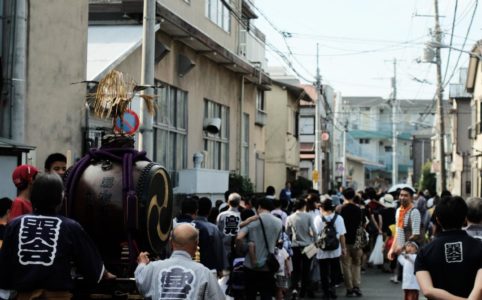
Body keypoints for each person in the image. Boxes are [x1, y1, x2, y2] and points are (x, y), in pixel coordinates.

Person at [0, 173, 113, 299]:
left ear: (32, 196)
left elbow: (4, 266)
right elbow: (91, 266)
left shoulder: (14, 225)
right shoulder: (70, 226)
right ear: (61, 197)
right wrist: (103, 273)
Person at [415, 196, 482, 300]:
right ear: (465, 218)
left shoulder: (425, 252)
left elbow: (428, 290)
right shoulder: (479, 247)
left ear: (437, 220)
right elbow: (480, 287)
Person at [135, 223, 225, 299]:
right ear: (196, 245)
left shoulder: (153, 268)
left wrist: (142, 264)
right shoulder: (204, 273)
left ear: (171, 242)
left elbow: (140, 281)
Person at [236, 197, 282, 300]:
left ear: (259, 207)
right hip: (267, 266)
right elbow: (276, 242)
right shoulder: (278, 222)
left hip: (250, 266)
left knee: (250, 295)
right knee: (266, 295)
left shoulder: (253, 220)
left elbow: (239, 237)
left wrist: (240, 250)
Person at [314, 198, 347, 300]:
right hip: (335, 249)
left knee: (323, 272)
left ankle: (326, 292)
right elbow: (342, 235)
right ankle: (332, 290)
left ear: (322, 208)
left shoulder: (318, 219)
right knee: (334, 271)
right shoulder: (339, 218)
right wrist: (344, 248)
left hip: (321, 249)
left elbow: (315, 235)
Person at [286, 198, 315, 297]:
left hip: (295, 246)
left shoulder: (290, 217)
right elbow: (314, 231)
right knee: (306, 270)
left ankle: (294, 288)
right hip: (307, 246)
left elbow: (287, 232)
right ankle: (303, 291)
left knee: (295, 269)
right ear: (304, 206)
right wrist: (315, 242)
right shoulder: (308, 216)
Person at [339, 187, 364, 297]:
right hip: (356, 240)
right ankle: (356, 286)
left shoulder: (340, 209)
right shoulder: (358, 209)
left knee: (345, 265)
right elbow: (361, 225)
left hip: (343, 240)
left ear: (344, 196)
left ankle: (349, 288)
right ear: (353, 196)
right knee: (357, 263)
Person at [194, 197, 227, 273]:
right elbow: (218, 251)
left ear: (196, 209)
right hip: (207, 268)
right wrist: (220, 269)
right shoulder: (213, 229)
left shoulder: (188, 225)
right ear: (209, 211)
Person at [217, 192, 242, 265]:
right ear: (239, 203)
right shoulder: (240, 216)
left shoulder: (221, 215)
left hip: (221, 248)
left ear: (228, 202)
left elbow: (217, 229)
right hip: (234, 250)